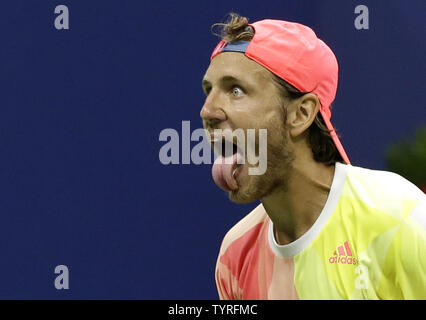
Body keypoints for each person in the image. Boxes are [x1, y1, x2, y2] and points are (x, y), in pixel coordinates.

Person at [200, 13, 425, 300]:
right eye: (209, 90)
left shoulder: (398, 219)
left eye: (235, 90)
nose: (207, 111)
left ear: (301, 113)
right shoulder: (234, 255)